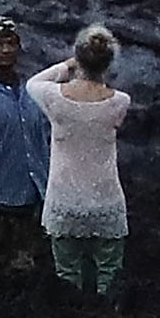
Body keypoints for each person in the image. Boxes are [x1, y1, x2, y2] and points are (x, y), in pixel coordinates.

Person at [31, 28, 137, 304]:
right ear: (109, 62)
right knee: (109, 275)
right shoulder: (119, 102)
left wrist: (67, 65)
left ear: (79, 57)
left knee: (67, 277)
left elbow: (32, 83)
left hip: (64, 203)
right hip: (106, 204)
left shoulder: (54, 98)